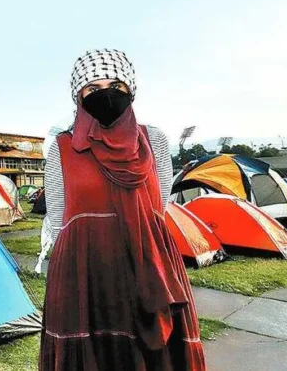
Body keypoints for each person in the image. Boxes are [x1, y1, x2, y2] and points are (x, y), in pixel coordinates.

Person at [39, 50, 205, 370]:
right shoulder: (62, 147)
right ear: (79, 96)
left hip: (147, 264)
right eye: (93, 88)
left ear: (130, 90)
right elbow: (59, 218)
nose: (106, 94)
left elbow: (160, 205)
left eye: (116, 85)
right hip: (84, 273)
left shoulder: (154, 139)